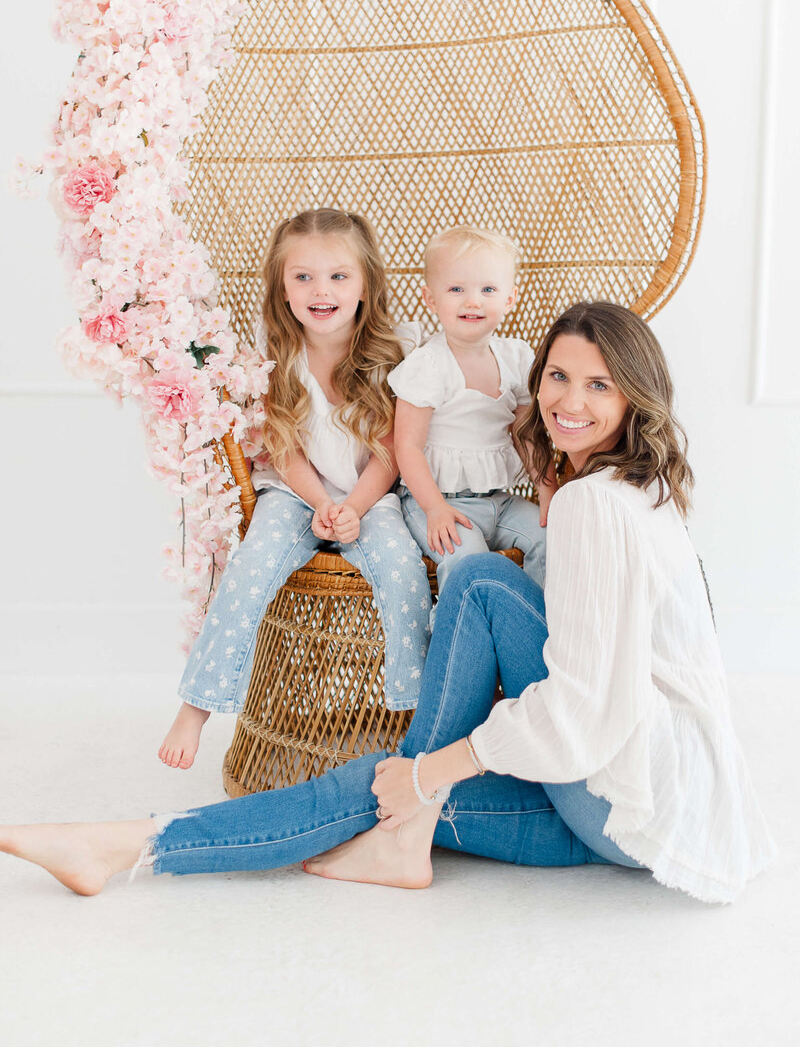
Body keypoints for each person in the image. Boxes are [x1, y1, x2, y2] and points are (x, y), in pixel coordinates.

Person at [1, 302, 775, 903]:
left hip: (625, 808)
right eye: (558, 377)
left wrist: (434, 771)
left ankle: (130, 845)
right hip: (656, 797)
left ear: (636, 395)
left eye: (598, 384)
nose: (568, 402)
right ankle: (398, 825)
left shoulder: (595, 506)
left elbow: (582, 714)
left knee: (386, 781)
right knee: (477, 583)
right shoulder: (636, 486)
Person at [158, 208, 431, 769]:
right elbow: (282, 448)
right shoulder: (273, 353)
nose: (320, 290)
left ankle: (416, 712)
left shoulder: (396, 349)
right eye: (302, 276)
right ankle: (197, 704)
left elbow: (392, 449)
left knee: (402, 569)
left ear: (365, 285)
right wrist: (322, 503)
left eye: (338, 276)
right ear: (282, 288)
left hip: (372, 491)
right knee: (253, 562)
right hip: (293, 488)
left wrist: (352, 507)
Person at [389, 226, 556, 599]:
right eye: (456, 289)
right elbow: (407, 447)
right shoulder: (429, 365)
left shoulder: (516, 358)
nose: (472, 301)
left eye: (488, 290)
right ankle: (468, 638)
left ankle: (536, 631)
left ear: (511, 298)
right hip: (436, 500)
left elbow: (527, 435)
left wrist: (546, 489)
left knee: (553, 540)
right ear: (430, 299)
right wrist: (434, 508)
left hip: (499, 499)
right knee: (467, 561)